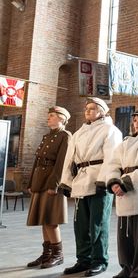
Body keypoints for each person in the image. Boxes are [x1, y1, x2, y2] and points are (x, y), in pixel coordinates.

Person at [59, 97, 122, 276]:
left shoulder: (110, 130)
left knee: (98, 224)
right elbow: (69, 158)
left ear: (103, 111)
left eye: (93, 108)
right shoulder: (79, 132)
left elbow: (112, 158)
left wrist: (104, 180)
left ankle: (99, 260)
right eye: (86, 108)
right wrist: (66, 181)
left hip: (98, 180)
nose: (88, 110)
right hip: (81, 180)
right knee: (80, 225)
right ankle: (83, 259)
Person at [106, 107, 138, 278]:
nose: (136, 123)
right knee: (124, 235)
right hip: (122, 191)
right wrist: (114, 182)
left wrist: (126, 184)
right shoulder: (125, 143)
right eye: (134, 120)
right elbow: (113, 164)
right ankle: (126, 268)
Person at [26, 106, 71, 269]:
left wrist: (55, 184)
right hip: (40, 181)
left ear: (62, 118)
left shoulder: (65, 136)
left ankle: (57, 255)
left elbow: (62, 162)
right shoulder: (47, 136)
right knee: (43, 219)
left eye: (52, 115)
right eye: (49, 115)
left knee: (51, 220)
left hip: (51, 182)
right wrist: (31, 183)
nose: (48, 118)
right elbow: (37, 161)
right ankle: (47, 254)